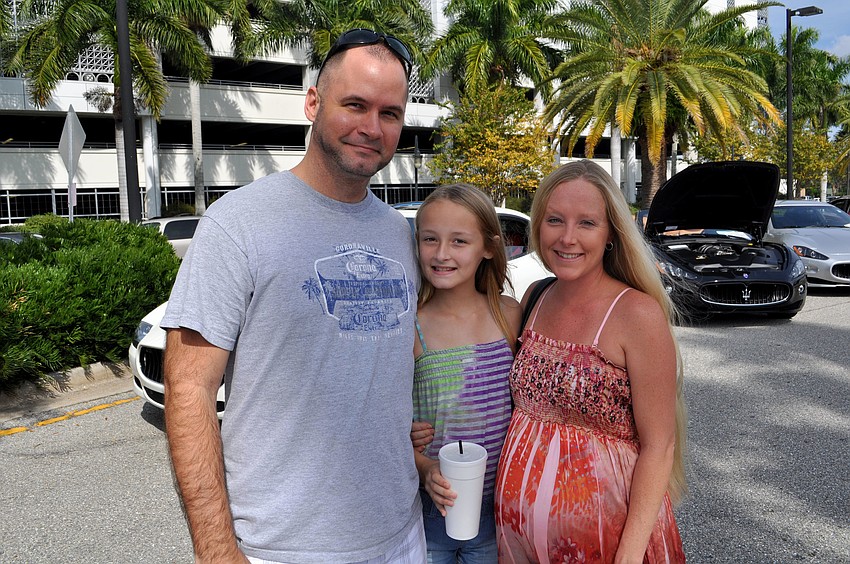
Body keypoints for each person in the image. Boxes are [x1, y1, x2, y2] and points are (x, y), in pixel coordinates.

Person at [161, 29, 426, 563]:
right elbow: (187, 388)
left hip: (401, 539)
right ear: (313, 102)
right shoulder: (237, 224)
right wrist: (216, 550)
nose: (371, 128)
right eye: (355, 105)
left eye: (390, 113)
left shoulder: (401, 235)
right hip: (277, 550)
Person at [494, 160, 687, 562]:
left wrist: (629, 556)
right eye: (554, 220)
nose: (567, 238)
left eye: (587, 223)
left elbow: (660, 446)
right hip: (518, 541)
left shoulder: (636, 313)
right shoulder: (535, 296)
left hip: (609, 543)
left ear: (611, 234)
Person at [411, 184, 522, 562]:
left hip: (499, 509)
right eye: (430, 239)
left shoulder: (509, 314)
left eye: (459, 241)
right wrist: (423, 466)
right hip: (431, 512)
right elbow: (388, 420)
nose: (441, 254)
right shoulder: (411, 326)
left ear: (488, 248)